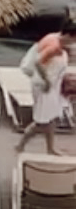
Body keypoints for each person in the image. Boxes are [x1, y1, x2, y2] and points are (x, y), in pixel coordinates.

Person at [17, 26, 76, 154]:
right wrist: (47, 80)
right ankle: (21, 145)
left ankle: (50, 148)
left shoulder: (53, 36)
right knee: (41, 121)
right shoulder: (54, 46)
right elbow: (39, 62)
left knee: (51, 118)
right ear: (70, 36)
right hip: (45, 86)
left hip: (52, 84)